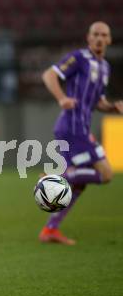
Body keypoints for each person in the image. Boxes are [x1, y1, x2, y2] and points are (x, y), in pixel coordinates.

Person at [39, 21, 123, 245]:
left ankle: (50, 230)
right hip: (72, 129)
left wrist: (113, 107)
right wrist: (62, 98)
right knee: (105, 174)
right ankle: (53, 179)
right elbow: (49, 75)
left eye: (103, 35)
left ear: (109, 40)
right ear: (88, 37)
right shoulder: (79, 57)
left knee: (79, 183)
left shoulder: (104, 67)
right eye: (95, 34)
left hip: (81, 128)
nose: (99, 38)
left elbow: (98, 102)